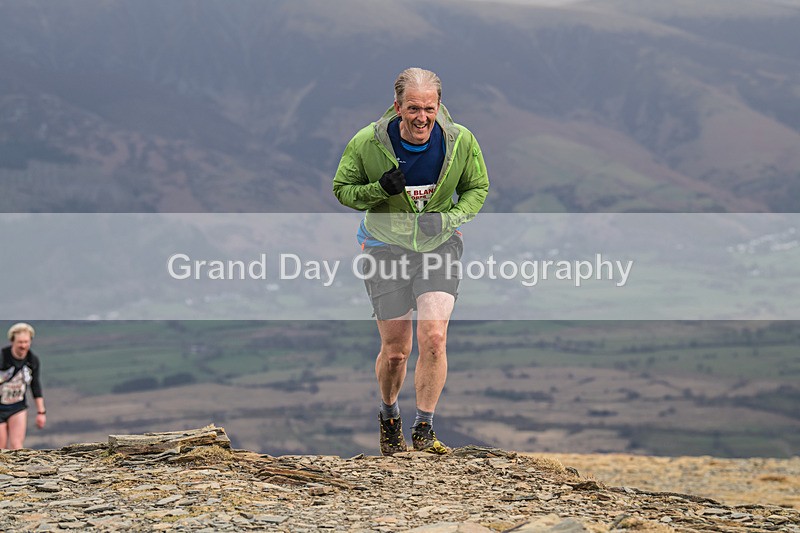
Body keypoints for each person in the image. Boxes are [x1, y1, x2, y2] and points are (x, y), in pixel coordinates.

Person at [333, 67, 489, 455]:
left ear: (439, 106)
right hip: (385, 246)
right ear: (398, 106)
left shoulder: (459, 141)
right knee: (397, 350)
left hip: (439, 243)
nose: (422, 117)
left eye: (429, 108)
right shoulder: (368, 142)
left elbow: (477, 187)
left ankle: (424, 428)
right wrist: (377, 189)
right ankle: (389, 416)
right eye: (414, 108)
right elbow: (342, 190)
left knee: (434, 337)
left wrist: (449, 218)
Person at [1, 323, 46, 449]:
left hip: (17, 406)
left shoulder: (32, 360)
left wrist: (41, 412)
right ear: (12, 341)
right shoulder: (2, 357)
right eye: (20, 342)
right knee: (1, 448)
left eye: (26, 342)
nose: (23, 345)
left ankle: (15, 470)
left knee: (17, 447)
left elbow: (35, 385)